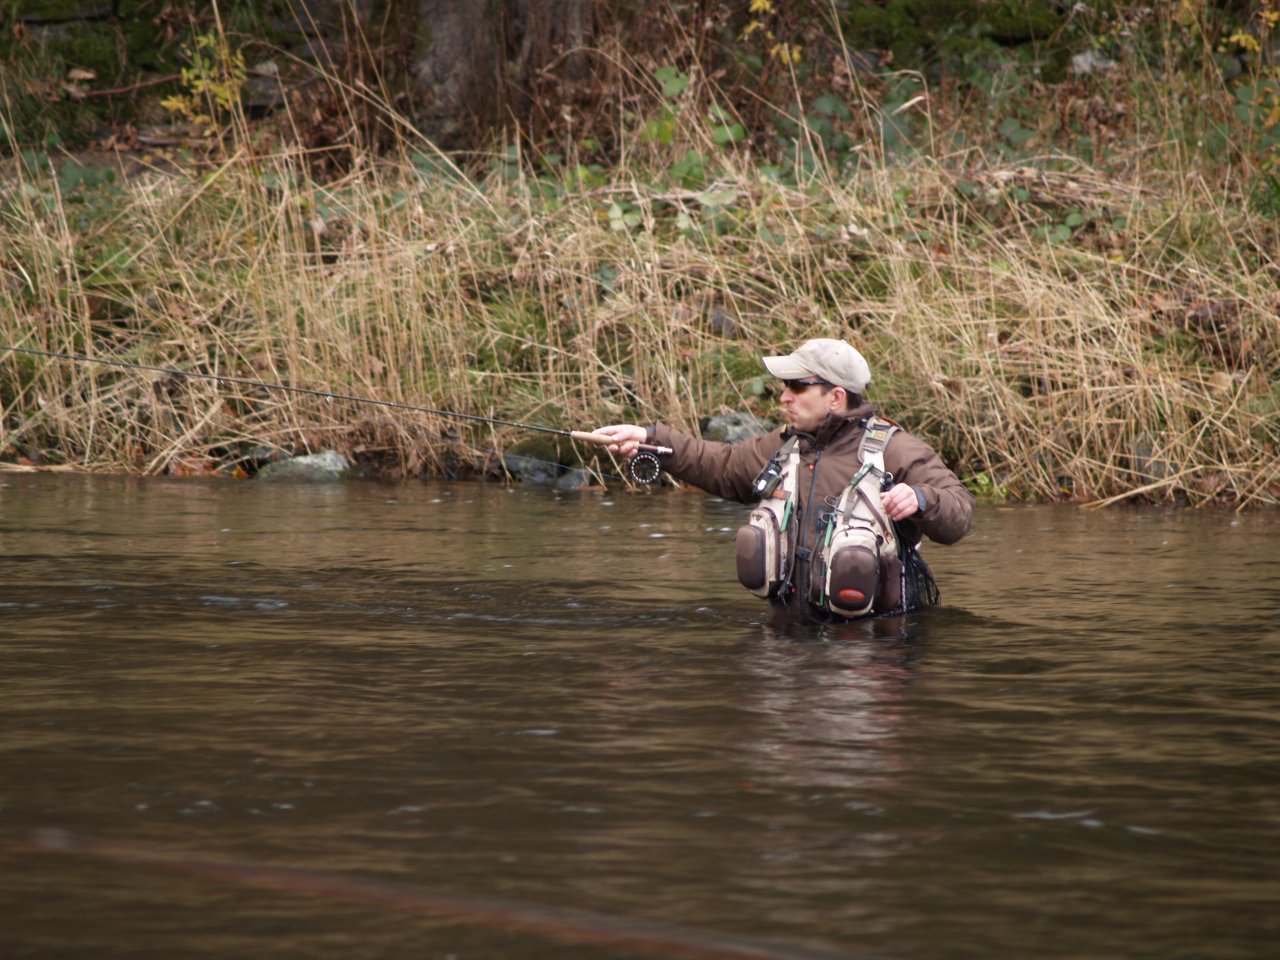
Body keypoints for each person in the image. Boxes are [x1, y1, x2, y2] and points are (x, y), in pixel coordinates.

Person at [595, 337, 974, 625]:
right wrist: (650, 439)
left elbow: (959, 512)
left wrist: (921, 499)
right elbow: (718, 464)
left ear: (835, 397)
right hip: (787, 643)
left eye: (796, 386)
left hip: (874, 651)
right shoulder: (781, 448)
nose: (783, 397)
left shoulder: (895, 451)